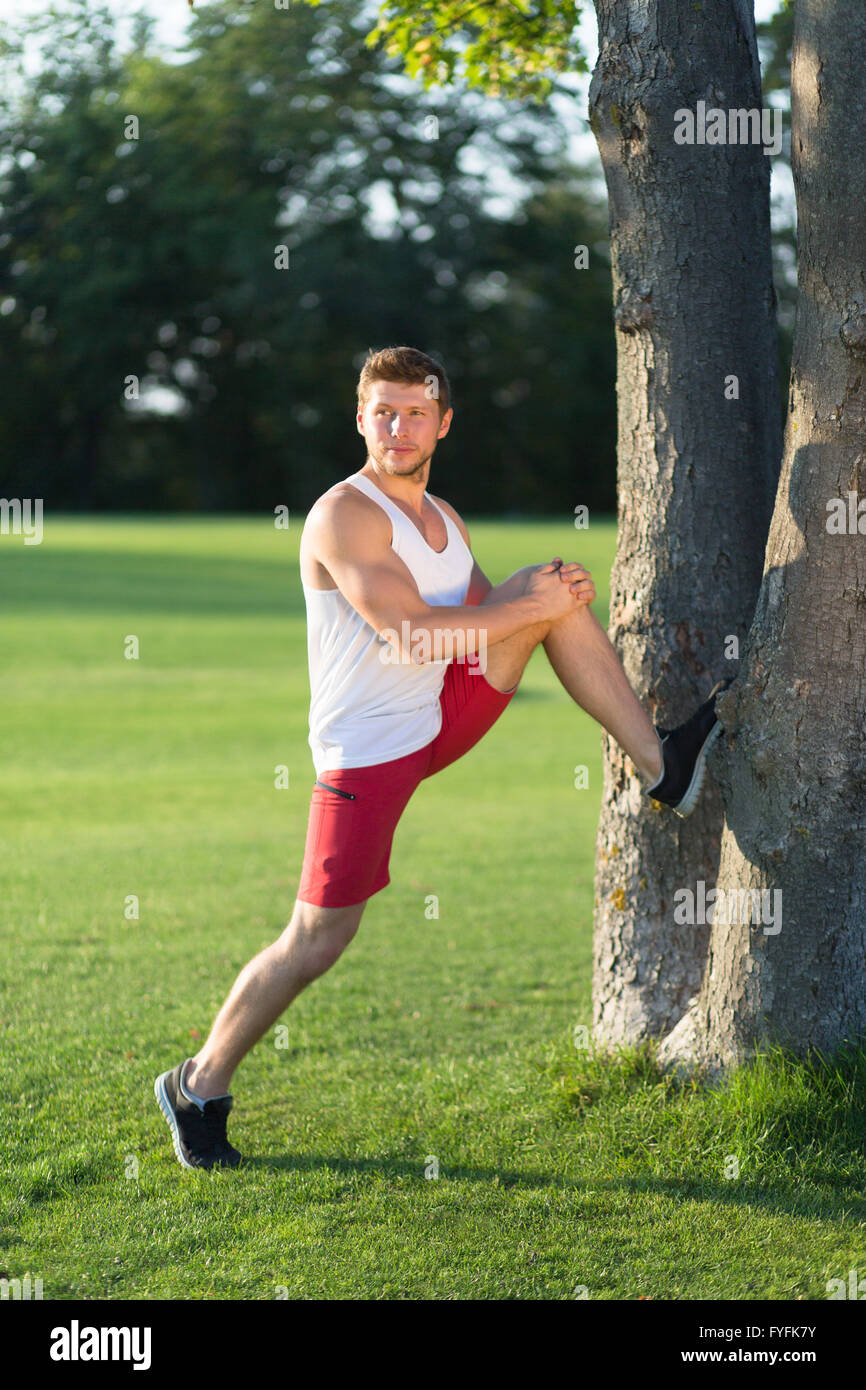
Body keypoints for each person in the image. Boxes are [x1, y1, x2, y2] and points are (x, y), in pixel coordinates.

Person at [154, 345, 730, 1170]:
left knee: (544, 589)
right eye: (382, 411)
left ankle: (660, 764)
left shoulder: (445, 520)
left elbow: (480, 614)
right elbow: (412, 632)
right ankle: (197, 1084)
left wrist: (549, 597)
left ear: (443, 423)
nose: (397, 426)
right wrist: (526, 606)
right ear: (359, 418)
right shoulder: (343, 515)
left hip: (437, 716)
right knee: (317, 939)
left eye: (414, 412)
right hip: (366, 758)